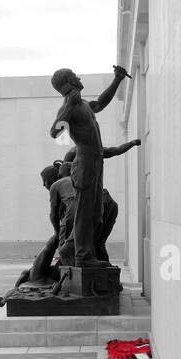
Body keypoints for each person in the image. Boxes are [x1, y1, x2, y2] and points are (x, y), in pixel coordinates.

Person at [49, 65, 129, 267]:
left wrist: (117, 80)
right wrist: (69, 105)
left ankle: (76, 249)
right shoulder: (70, 107)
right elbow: (55, 132)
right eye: (74, 76)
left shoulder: (83, 104)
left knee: (95, 212)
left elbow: (101, 103)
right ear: (67, 83)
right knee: (84, 212)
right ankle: (83, 256)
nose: (78, 77)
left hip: (95, 162)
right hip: (84, 162)